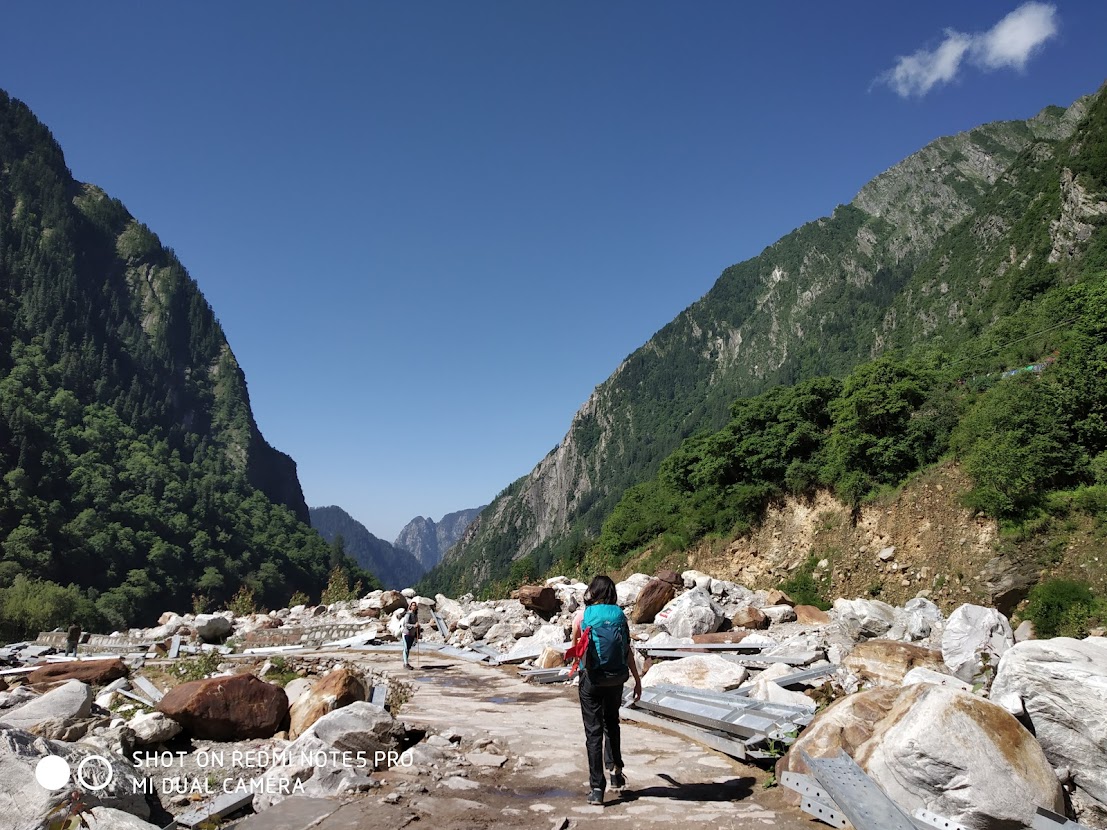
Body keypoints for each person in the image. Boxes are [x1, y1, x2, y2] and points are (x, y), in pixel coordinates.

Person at [572, 575, 641, 806]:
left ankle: (596, 789)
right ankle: (616, 773)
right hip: (616, 679)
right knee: (612, 723)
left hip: (592, 679)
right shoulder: (620, 616)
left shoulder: (584, 615)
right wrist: (637, 679)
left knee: (593, 732)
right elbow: (627, 650)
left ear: (592, 592)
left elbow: (576, 646)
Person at [401, 600, 419, 670]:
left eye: (415, 605)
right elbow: (405, 624)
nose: (414, 606)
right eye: (413, 605)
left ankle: (406, 662)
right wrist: (414, 625)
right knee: (405, 648)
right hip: (406, 633)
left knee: (408, 648)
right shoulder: (408, 614)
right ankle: (406, 663)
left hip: (411, 634)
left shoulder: (415, 615)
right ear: (410, 607)